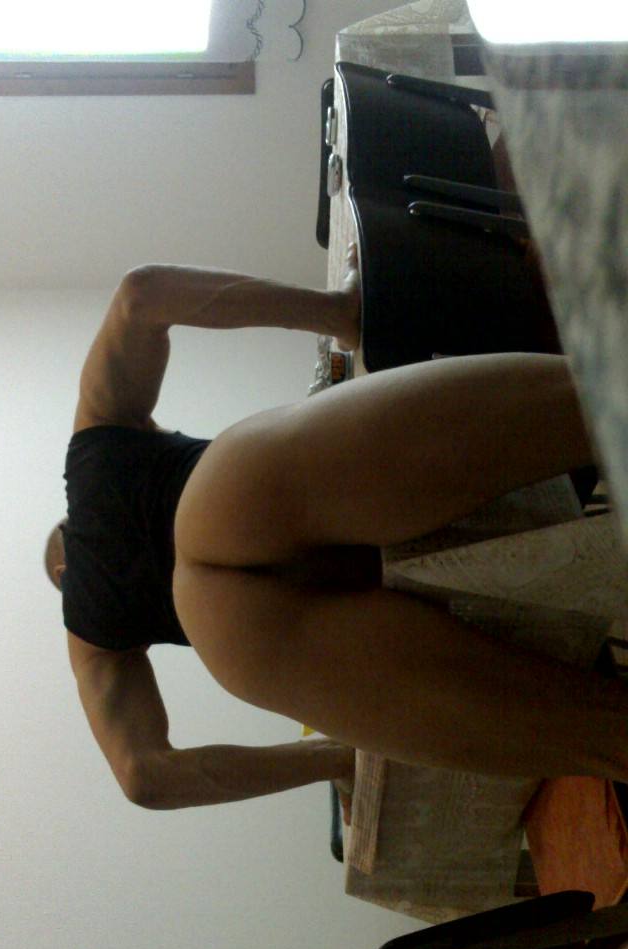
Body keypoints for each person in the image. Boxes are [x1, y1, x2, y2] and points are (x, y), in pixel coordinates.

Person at [45, 245, 628, 815]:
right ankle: (344, 312)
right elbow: (141, 293)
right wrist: (337, 312)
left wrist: (332, 758)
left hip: (235, 638)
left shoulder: (89, 637)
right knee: (598, 403)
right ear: (68, 527)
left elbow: (143, 778)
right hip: (229, 494)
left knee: (607, 737)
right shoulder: (91, 450)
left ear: (65, 574)